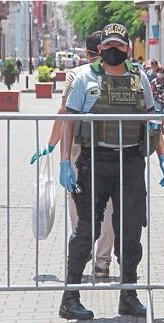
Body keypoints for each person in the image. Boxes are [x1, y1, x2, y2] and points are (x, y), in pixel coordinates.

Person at [56, 23, 164, 320]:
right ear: (101, 48)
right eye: (108, 46)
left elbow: (153, 120)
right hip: (95, 161)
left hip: (131, 162)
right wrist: (64, 161)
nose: (113, 51)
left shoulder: (139, 78)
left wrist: (163, 156)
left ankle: (129, 296)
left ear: (127, 49)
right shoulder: (85, 76)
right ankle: (70, 298)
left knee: (131, 231)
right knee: (86, 231)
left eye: (119, 47)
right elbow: (68, 120)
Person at [30, 31, 119, 279]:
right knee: (110, 205)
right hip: (113, 147)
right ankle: (102, 261)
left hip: (81, 146)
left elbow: (64, 112)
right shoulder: (122, 73)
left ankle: (82, 247)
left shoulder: (75, 75)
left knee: (77, 199)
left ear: (88, 52)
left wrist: (53, 147)